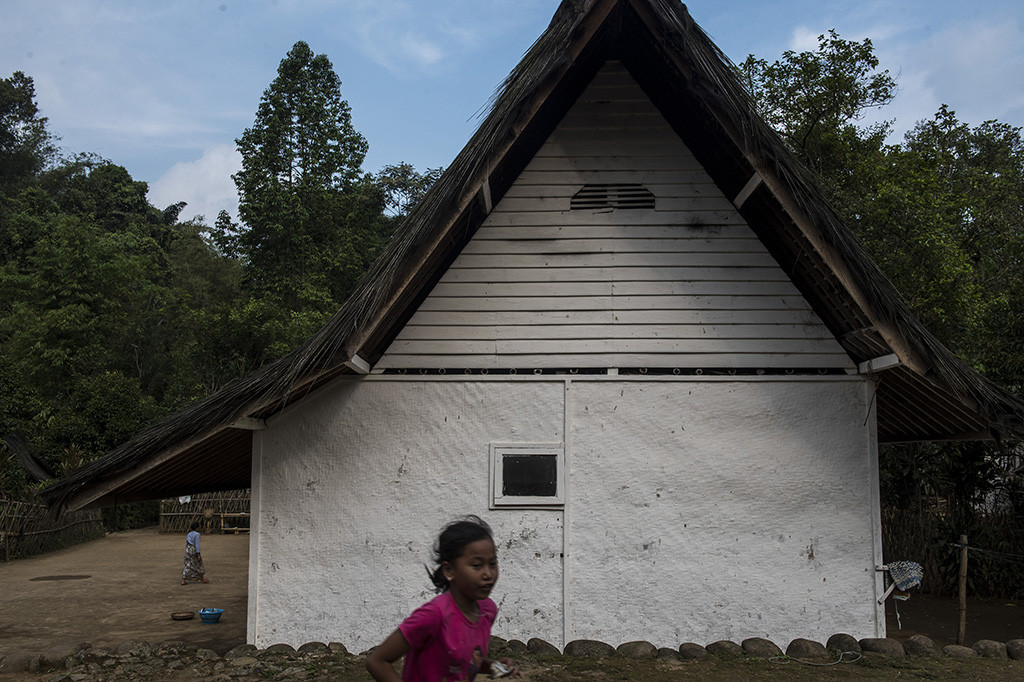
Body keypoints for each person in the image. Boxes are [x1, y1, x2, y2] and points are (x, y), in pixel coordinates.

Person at [366, 516, 519, 681]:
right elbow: (377, 661)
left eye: (492, 564)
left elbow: (462, 662)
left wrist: (493, 666)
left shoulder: (487, 610)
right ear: (449, 570)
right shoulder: (434, 615)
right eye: (476, 565)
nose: (488, 574)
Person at [181, 521, 209, 585]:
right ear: (197, 528)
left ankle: (184, 579)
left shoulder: (189, 534)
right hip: (194, 550)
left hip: (188, 549)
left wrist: (187, 551)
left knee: (187, 564)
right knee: (198, 564)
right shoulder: (197, 534)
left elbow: (187, 543)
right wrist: (198, 553)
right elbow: (197, 545)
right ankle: (202, 579)